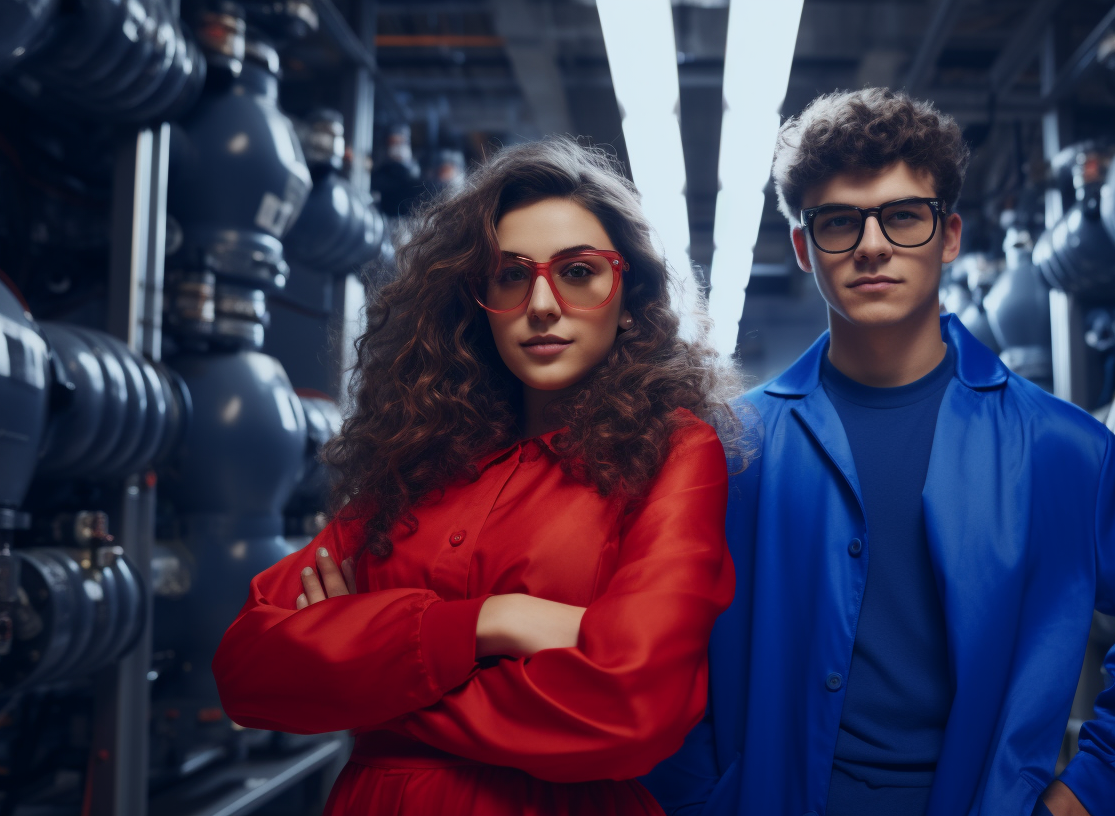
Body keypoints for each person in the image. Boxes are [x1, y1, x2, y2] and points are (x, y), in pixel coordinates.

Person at [642, 88, 1115, 816]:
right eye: (838, 222)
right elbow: (660, 643)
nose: (871, 245)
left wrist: (1095, 792)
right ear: (804, 247)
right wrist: (702, 795)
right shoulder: (731, 449)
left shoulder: (1058, 448)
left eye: (902, 216)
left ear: (948, 235)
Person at [213, 138, 739, 816]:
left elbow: (631, 704)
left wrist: (365, 682)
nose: (542, 305)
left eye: (579, 272)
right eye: (509, 275)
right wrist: (495, 622)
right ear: (475, 300)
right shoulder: (417, 456)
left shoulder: (674, 452)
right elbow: (248, 668)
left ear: (629, 296)